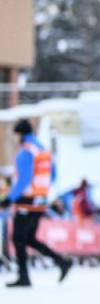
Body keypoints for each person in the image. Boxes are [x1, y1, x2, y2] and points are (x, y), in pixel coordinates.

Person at [1, 119, 72, 286]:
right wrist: (41, 191)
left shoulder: (26, 151)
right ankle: (61, 261)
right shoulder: (43, 150)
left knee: (18, 238)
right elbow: (52, 176)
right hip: (40, 200)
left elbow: (24, 179)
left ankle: (23, 277)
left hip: (26, 201)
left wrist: (9, 198)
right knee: (29, 238)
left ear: (21, 134)